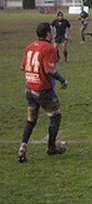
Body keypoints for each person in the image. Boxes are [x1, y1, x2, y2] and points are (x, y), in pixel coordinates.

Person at [17, 22, 69, 162]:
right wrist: (63, 80)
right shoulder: (49, 48)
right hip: (43, 91)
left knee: (31, 120)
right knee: (55, 116)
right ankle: (51, 147)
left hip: (29, 89)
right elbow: (49, 70)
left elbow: (23, 67)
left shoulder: (29, 47)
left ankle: (23, 147)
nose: (52, 33)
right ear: (47, 33)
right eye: (51, 31)